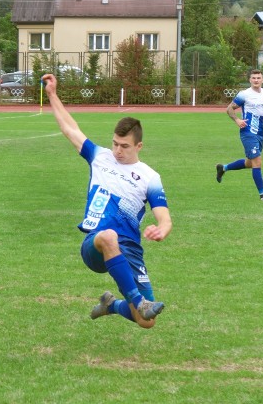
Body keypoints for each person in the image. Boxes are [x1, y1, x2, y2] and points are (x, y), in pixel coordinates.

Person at [42, 73, 172, 329]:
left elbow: (164, 216)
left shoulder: (150, 177)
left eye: (124, 146)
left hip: (130, 249)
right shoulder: (99, 157)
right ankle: (137, 300)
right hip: (96, 244)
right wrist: (52, 95)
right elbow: (70, 129)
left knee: (147, 322)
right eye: (114, 144)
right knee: (108, 235)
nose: (117, 151)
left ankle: (111, 305)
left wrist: (162, 229)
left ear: (139, 146)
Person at [216, 69, 263, 201]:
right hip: (248, 132)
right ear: (250, 80)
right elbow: (229, 108)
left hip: (260, 132)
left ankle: (223, 168)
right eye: (253, 78)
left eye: (258, 78)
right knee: (257, 161)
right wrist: (237, 120)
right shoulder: (244, 94)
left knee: (250, 163)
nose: (256, 80)